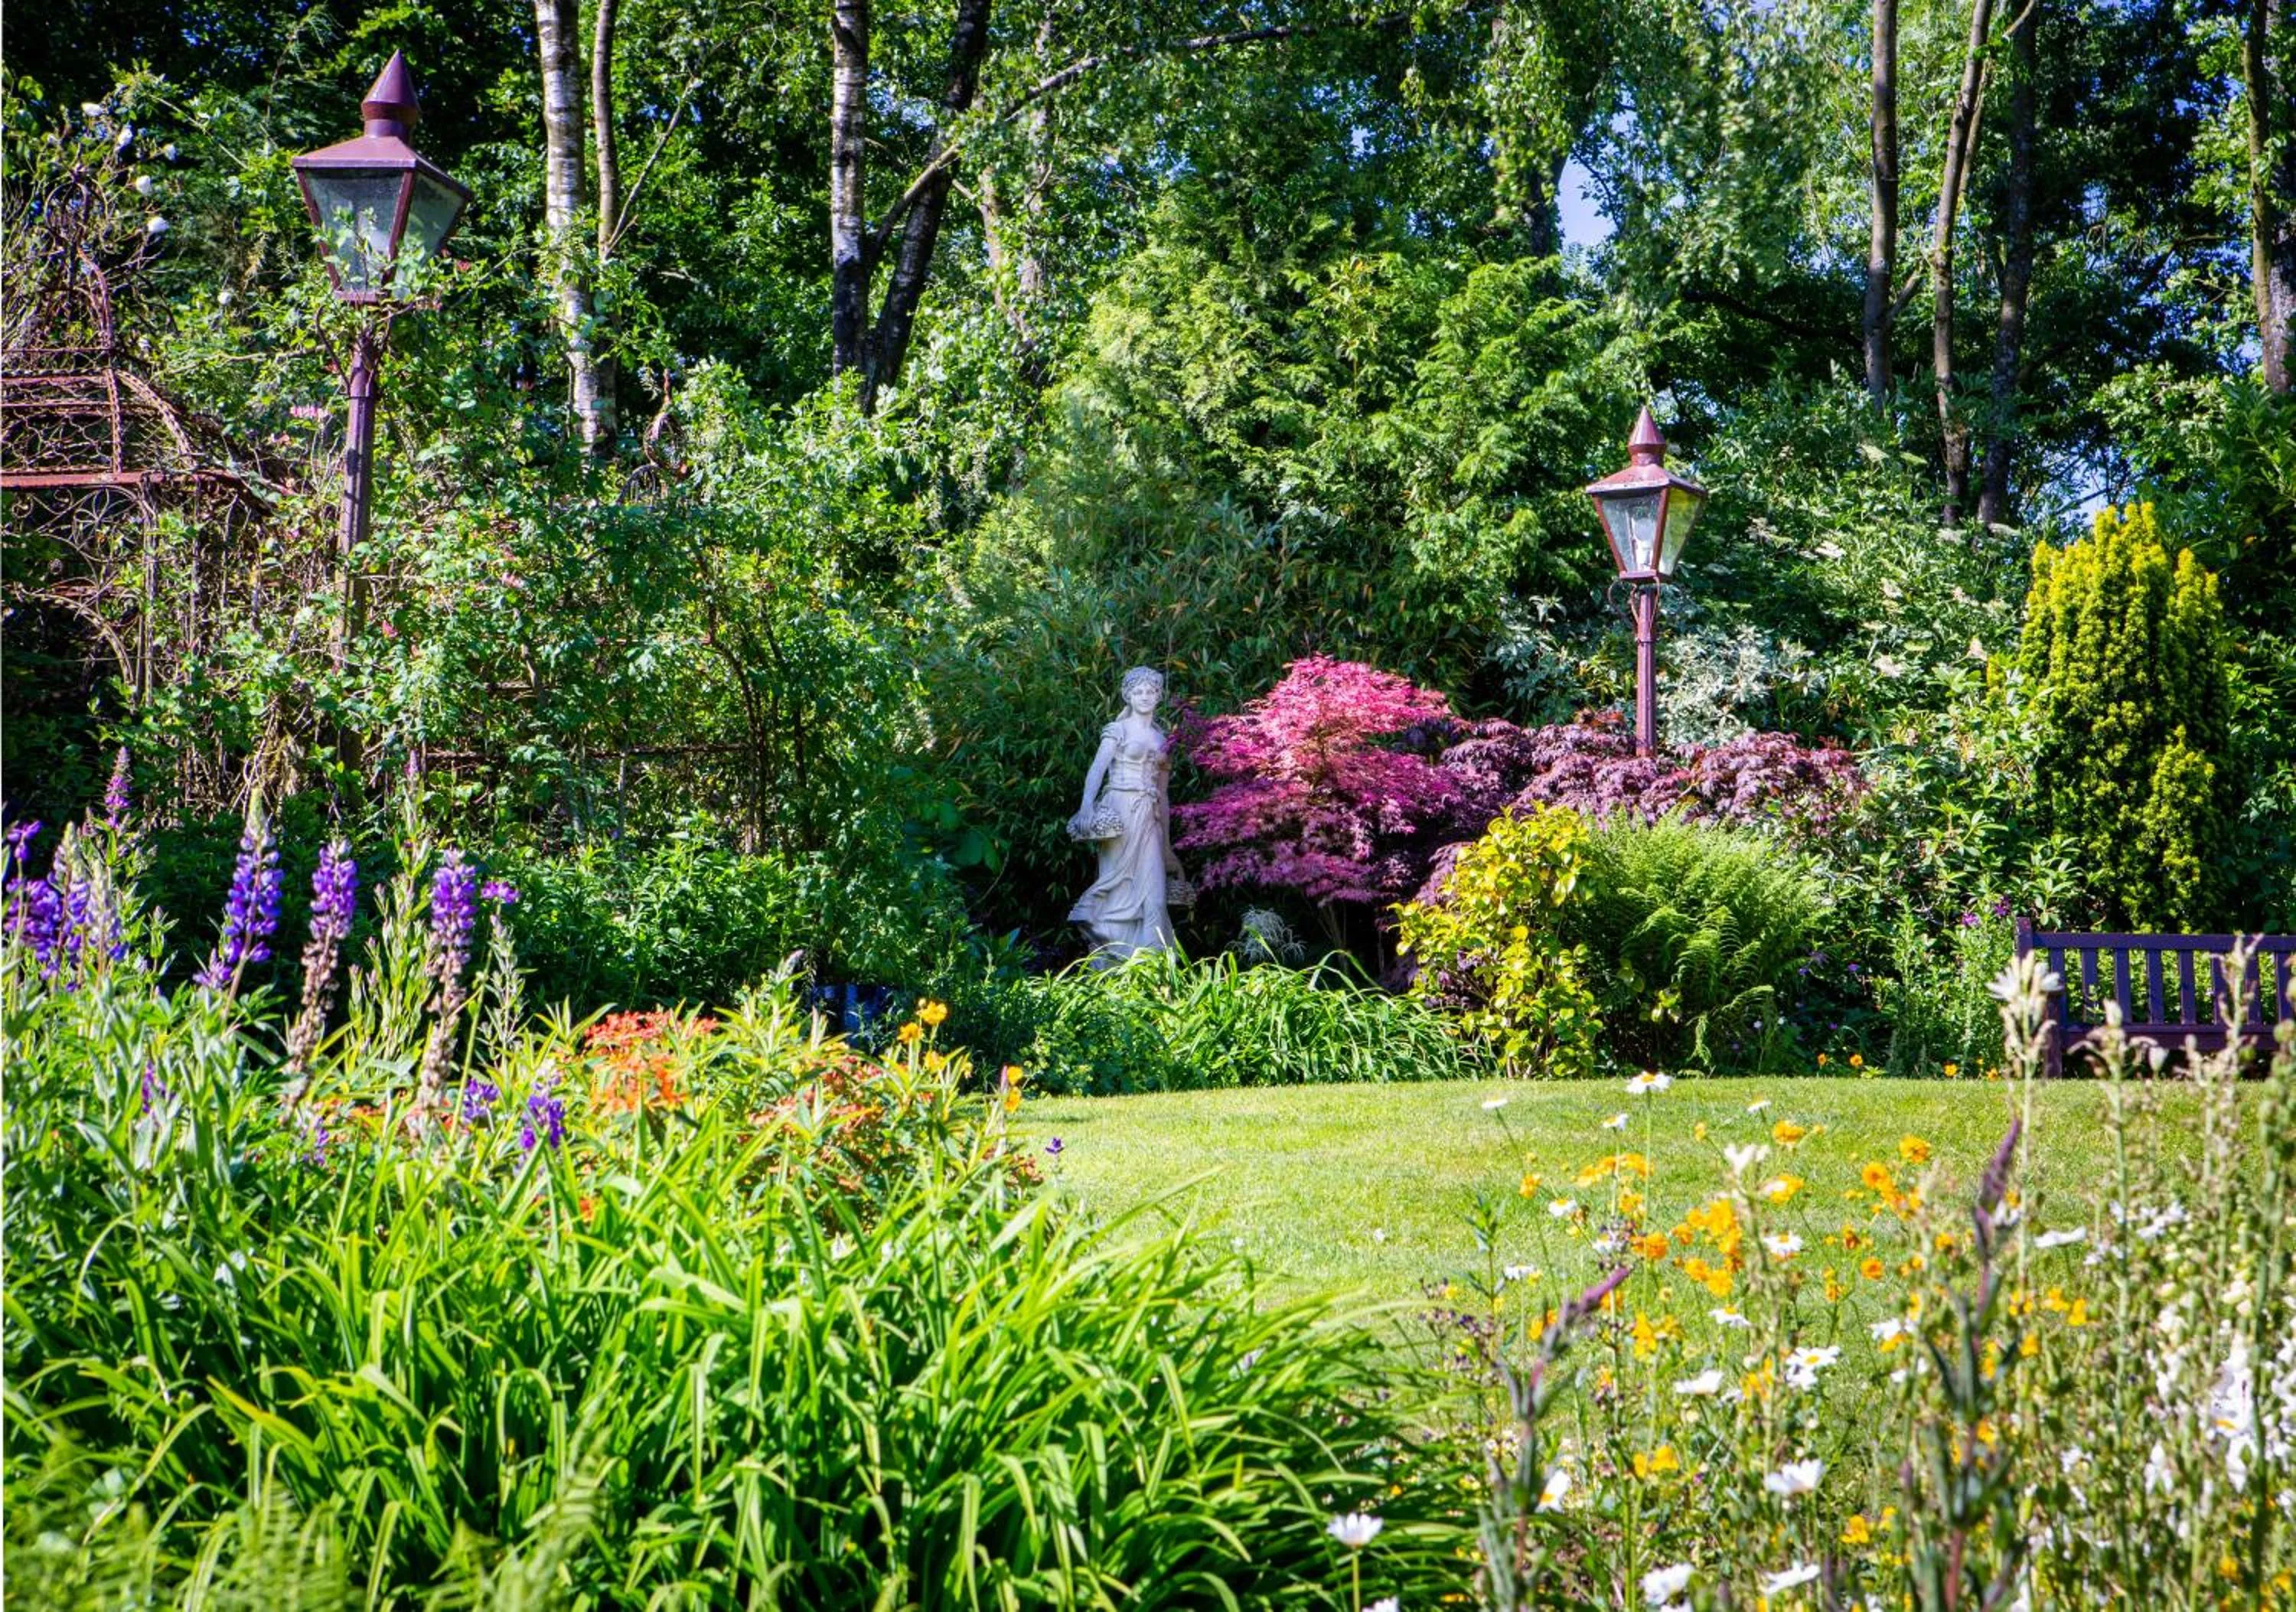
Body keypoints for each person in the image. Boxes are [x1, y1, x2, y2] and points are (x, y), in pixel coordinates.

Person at [1067, 666, 1184, 964]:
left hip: (1149, 815)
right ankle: (1111, 964)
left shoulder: (1162, 740)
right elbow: (1096, 769)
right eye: (1138, 691)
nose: (1145, 697)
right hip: (1119, 811)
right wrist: (1087, 807)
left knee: (1155, 898)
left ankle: (1151, 969)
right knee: (1117, 889)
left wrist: (1168, 847)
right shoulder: (1118, 729)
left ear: (1158, 696)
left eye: (1151, 691)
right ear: (1128, 696)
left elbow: (1164, 794)